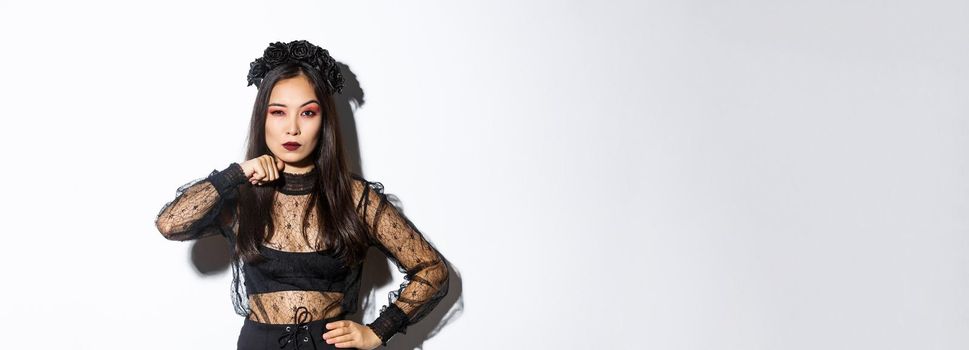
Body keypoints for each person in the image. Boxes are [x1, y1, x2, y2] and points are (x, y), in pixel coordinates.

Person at [154, 40, 450, 350]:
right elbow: (170, 224)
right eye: (278, 112)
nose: (292, 128)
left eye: (307, 113)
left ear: (324, 122)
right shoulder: (243, 195)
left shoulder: (353, 197)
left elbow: (432, 269)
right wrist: (237, 174)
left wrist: (378, 330)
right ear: (262, 119)